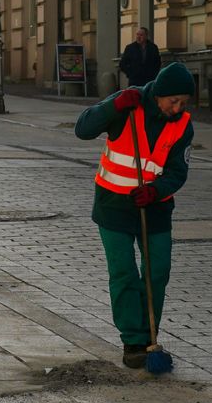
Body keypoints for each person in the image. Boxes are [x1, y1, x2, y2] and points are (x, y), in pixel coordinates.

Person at [74, 62, 195, 368]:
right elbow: (83, 128)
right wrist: (112, 106)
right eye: (173, 101)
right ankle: (134, 339)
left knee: (158, 272)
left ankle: (150, 333)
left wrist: (156, 191)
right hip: (113, 205)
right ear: (159, 95)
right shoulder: (128, 104)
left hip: (154, 208)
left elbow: (178, 172)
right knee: (124, 271)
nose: (178, 107)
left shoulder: (183, 125)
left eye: (184, 102)